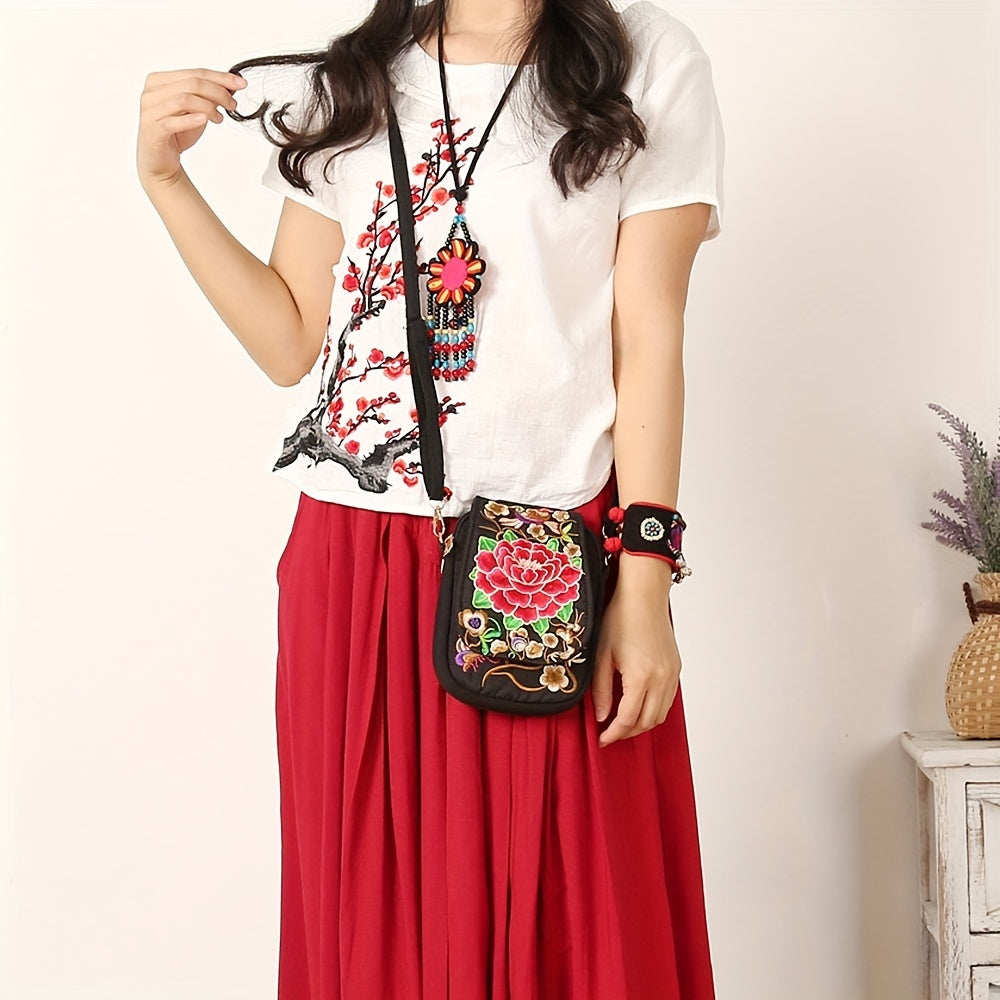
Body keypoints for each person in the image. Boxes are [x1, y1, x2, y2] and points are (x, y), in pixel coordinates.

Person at [136, 0, 725, 996]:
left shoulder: (642, 58)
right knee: (373, 919)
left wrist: (646, 581)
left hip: (541, 554)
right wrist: (166, 182)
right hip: (353, 566)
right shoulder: (349, 82)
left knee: (574, 913)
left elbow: (650, 333)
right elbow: (288, 339)